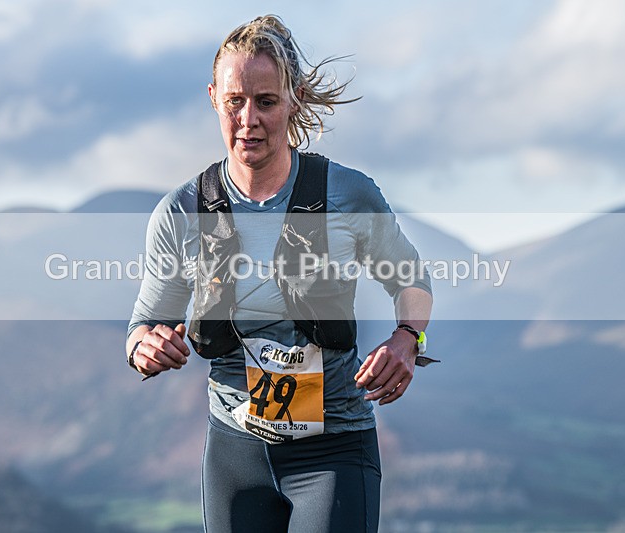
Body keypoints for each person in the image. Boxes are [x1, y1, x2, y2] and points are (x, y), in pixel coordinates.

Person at [126, 15, 433, 533]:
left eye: (266, 101)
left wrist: (408, 337)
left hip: (335, 452)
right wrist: (145, 347)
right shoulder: (182, 211)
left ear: (294, 100)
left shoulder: (348, 195)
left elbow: (411, 280)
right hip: (234, 456)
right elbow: (142, 325)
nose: (248, 119)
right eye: (235, 101)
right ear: (213, 98)